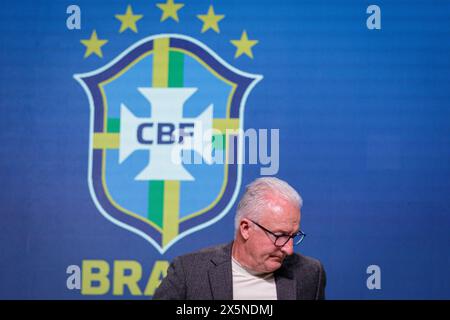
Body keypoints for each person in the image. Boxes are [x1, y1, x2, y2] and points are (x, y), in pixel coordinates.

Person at [153, 177, 326, 300]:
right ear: (245, 228)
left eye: (293, 236)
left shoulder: (309, 273)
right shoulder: (189, 273)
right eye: (280, 236)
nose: (289, 249)